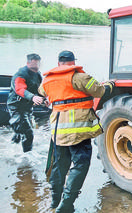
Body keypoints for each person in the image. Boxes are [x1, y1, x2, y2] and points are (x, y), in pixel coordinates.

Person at [38, 50, 114, 213]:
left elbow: (42, 92)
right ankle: (66, 204)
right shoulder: (80, 77)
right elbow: (99, 91)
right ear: (73, 63)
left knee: (59, 165)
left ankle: (54, 200)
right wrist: (109, 84)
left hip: (57, 131)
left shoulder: (47, 80)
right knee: (80, 165)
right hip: (78, 131)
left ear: (59, 63)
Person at [7, 53, 45, 152]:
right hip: (16, 107)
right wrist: (32, 97)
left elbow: (40, 89)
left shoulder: (37, 74)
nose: (36, 67)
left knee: (21, 131)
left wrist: (45, 99)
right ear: (28, 63)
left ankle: (12, 150)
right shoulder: (21, 74)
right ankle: (27, 157)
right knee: (28, 133)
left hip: (27, 107)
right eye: (33, 66)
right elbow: (19, 89)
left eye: (37, 65)